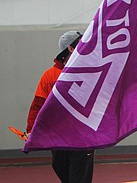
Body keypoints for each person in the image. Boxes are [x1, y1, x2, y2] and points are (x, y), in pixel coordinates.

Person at [26, 31, 94, 183]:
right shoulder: (49, 75)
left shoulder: (89, 71)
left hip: (81, 138)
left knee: (79, 179)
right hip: (57, 139)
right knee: (64, 174)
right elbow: (38, 104)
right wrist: (31, 130)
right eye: (81, 42)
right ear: (70, 48)